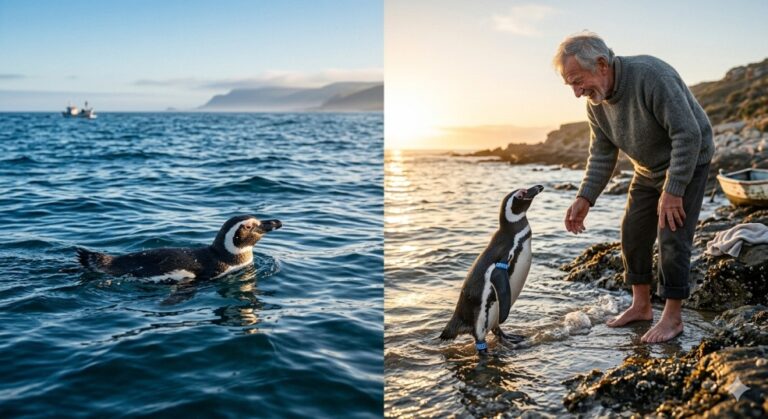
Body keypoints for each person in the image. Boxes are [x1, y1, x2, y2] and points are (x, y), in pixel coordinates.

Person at [553, 32, 714, 343]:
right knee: (632, 232)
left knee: (672, 235)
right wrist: (585, 197)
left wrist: (674, 189)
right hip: (647, 167)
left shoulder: (652, 76)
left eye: (576, 80)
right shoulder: (595, 104)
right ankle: (641, 306)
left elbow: (688, 135)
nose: (575, 92)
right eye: (569, 85)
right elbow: (601, 153)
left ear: (601, 64)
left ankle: (672, 317)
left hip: (688, 160)